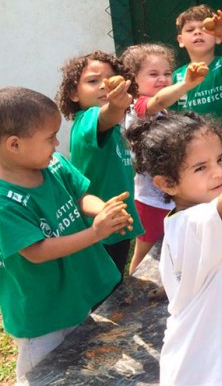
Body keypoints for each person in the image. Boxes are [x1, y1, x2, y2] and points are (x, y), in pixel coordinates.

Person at [0, 87, 131, 383]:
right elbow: (37, 251)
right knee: (44, 375)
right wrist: (96, 233)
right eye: (50, 137)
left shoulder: (53, 165)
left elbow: (80, 195)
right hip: (41, 314)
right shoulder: (2, 200)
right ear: (14, 144)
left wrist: (101, 211)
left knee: (77, 361)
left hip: (71, 296)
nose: (57, 143)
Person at [125, 111, 222, 386]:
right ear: (167, 183)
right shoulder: (197, 221)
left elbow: (203, 278)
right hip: (209, 373)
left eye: (220, 158)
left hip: (195, 365)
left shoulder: (186, 222)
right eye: (201, 167)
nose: (218, 172)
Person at [56, 50, 145, 276]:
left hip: (114, 218)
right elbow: (106, 116)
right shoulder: (86, 121)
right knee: (103, 286)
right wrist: (116, 106)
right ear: (73, 94)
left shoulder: (115, 127)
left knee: (114, 277)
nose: (104, 86)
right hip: (98, 221)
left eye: (109, 79)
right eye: (93, 81)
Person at [121, 43, 206, 274]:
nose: (162, 79)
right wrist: (186, 84)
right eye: (153, 74)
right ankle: (133, 290)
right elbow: (157, 101)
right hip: (150, 199)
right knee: (145, 251)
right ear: (133, 80)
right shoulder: (137, 106)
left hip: (168, 193)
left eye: (167, 73)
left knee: (172, 243)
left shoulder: (163, 112)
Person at [171, 5, 222, 155]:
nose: (197, 32)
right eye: (190, 30)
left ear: (217, 37)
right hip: (191, 151)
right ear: (181, 40)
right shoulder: (176, 76)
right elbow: (172, 115)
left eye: (204, 28)